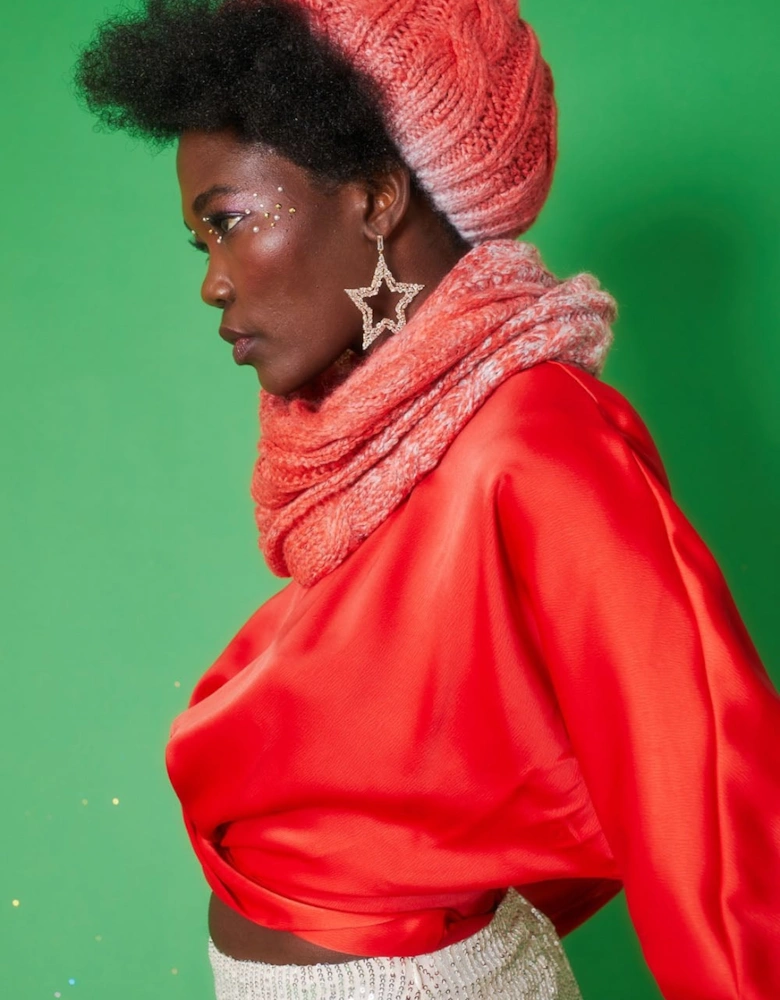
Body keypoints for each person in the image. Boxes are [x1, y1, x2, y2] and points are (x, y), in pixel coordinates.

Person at [74, 1, 780, 997]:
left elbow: (702, 793)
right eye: (202, 242)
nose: (212, 283)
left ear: (373, 196)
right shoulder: (382, 430)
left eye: (229, 222)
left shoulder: (539, 432)